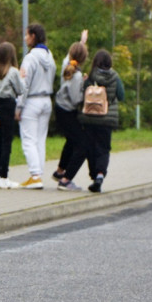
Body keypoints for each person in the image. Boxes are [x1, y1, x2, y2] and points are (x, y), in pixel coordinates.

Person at [78, 48, 125, 193]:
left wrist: (85, 83)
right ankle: (99, 175)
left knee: (91, 148)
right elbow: (121, 96)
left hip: (90, 118)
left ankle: (93, 176)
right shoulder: (115, 76)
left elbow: (83, 94)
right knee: (103, 149)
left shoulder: (91, 75)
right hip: (106, 119)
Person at [15, 23, 55, 189]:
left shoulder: (30, 58)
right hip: (46, 100)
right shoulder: (50, 57)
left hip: (32, 101)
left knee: (29, 139)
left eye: (27, 35)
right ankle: (39, 173)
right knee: (40, 139)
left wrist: (19, 106)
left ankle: (35, 175)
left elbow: (23, 84)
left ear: (33, 36)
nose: (25, 38)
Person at [52, 37, 89, 191]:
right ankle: (66, 180)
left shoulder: (66, 66)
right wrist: (84, 87)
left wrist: (81, 42)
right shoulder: (77, 75)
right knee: (83, 144)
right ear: (84, 58)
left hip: (60, 108)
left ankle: (60, 171)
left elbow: (70, 56)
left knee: (71, 140)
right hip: (67, 110)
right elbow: (75, 99)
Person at [0, 41, 24, 189]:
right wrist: (22, 78)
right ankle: (4, 177)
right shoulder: (13, 72)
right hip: (9, 105)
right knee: (7, 142)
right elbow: (20, 90)